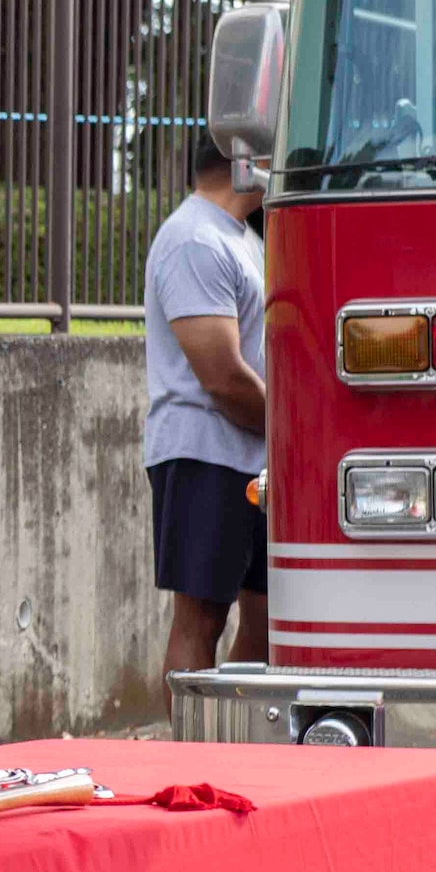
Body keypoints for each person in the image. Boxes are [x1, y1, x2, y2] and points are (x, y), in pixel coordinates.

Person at [142, 133, 268, 715]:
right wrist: (299, 428)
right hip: (203, 455)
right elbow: (221, 378)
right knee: (202, 617)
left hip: (254, 457)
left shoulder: (242, 239)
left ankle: (241, 751)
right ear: (245, 162)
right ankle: (185, 764)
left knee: (266, 616)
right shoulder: (193, 239)